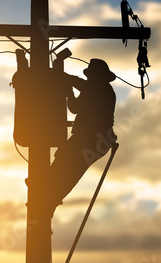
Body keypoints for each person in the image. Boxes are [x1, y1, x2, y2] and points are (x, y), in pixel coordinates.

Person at [48, 58, 117, 211]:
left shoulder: (98, 89)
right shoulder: (97, 89)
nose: (89, 78)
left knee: (68, 165)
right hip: (94, 140)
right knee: (67, 164)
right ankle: (51, 194)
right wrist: (67, 86)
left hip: (92, 140)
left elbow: (74, 100)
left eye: (92, 75)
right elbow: (75, 106)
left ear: (98, 76)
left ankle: (50, 196)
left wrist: (65, 84)